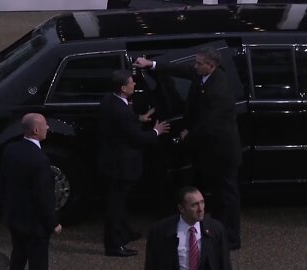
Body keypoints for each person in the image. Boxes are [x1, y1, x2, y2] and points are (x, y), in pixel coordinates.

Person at [134, 46, 242, 250]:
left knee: (228, 196)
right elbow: (184, 71)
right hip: (212, 151)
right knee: (218, 194)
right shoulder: (206, 75)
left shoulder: (218, 91)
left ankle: (232, 238)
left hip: (223, 153)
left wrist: (188, 136)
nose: (195, 66)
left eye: (199, 63)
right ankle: (218, 231)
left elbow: (211, 124)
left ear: (210, 66)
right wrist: (152, 65)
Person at [99, 70, 170, 257]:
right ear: (123, 88)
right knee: (116, 206)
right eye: (131, 83)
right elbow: (138, 138)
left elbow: (121, 123)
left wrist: (138, 118)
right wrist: (156, 131)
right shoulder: (121, 110)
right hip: (122, 165)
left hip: (112, 161)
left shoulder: (109, 100)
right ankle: (113, 245)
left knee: (119, 203)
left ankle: (124, 233)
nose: (134, 85)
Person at [0, 113, 62, 270]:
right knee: (38, 263)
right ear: (36, 130)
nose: (48, 127)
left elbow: (5, 181)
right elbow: (43, 196)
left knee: (18, 257)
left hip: (15, 217)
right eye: (45, 125)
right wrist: (53, 222)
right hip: (35, 224)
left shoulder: (10, 149)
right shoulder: (40, 160)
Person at [145, 186, 232, 270]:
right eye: (194, 205)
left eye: (202, 202)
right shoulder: (160, 231)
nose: (201, 209)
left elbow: (224, 263)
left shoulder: (216, 228)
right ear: (181, 208)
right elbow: (152, 264)